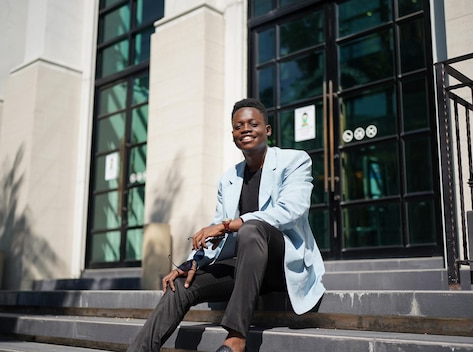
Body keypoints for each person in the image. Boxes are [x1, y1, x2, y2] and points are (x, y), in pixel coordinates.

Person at [127, 98, 326, 352]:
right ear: (233, 135)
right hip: (245, 266)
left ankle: (236, 338)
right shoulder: (228, 179)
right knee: (181, 285)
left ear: (267, 130)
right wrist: (192, 262)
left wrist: (229, 225)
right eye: (238, 126)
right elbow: (215, 233)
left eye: (253, 123)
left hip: (282, 264)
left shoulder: (294, 161)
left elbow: (291, 211)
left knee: (251, 228)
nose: (245, 129)